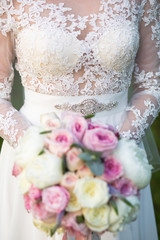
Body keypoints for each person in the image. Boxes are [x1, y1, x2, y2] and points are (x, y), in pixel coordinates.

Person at [0, 0, 159, 239]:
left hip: (119, 158)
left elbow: (151, 84)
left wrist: (118, 148)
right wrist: (38, 152)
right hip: (37, 161)